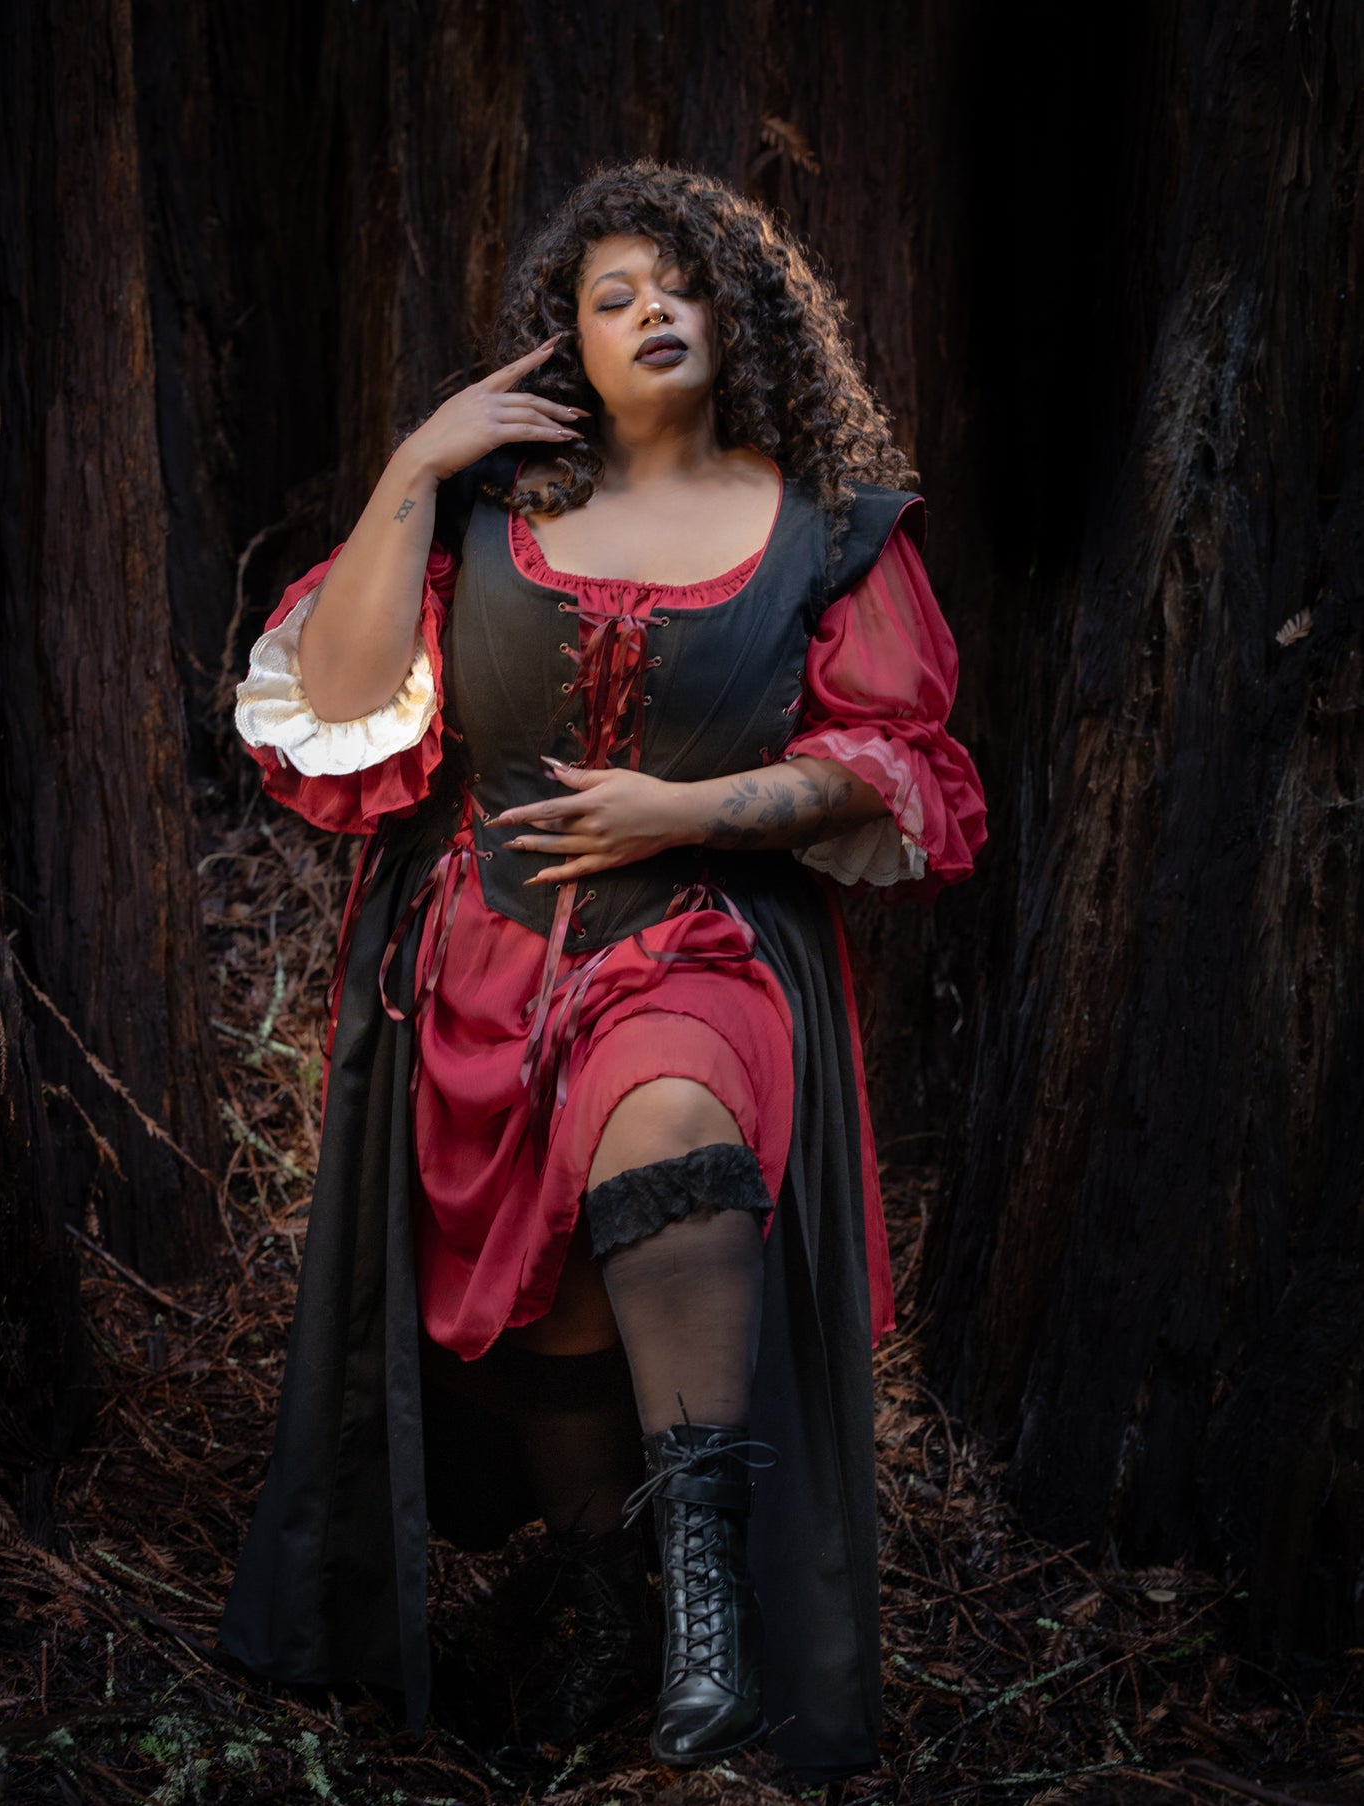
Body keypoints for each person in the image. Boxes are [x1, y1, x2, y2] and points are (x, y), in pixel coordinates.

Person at [220, 157, 986, 1782]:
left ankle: (711, 1617)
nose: (651, 311)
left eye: (681, 283)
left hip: (701, 933)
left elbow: (895, 761)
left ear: (742, 309)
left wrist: (694, 806)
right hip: (484, 959)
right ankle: (600, 1587)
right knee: (557, 1284)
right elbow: (345, 695)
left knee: (669, 1137)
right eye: (612, 292)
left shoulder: (826, 533)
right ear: (563, 337)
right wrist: (416, 466)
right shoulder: (493, 515)